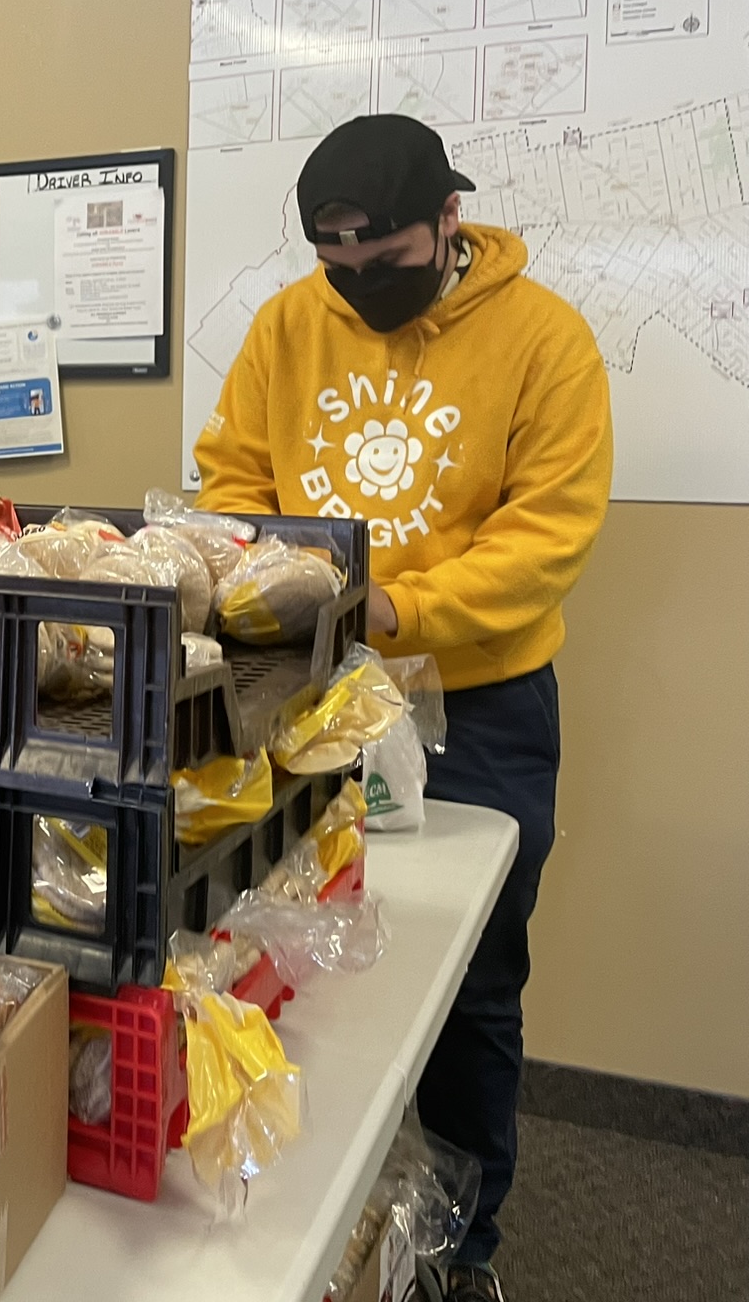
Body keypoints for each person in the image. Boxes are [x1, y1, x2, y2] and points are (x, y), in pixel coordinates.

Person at [194, 114, 612, 1302]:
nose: (360, 284)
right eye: (337, 263)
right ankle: (321, 1230)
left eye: (384, 261)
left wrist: (394, 608)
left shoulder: (543, 340)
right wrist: (250, 568)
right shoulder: (287, 325)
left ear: (446, 221)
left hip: (478, 706)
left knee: (470, 979)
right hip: (306, 695)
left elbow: (546, 538)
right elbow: (233, 475)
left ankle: (465, 1250)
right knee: (278, 949)